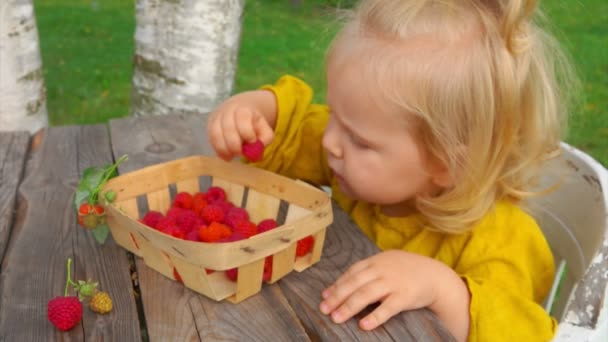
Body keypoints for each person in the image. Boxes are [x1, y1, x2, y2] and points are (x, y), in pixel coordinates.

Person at [207, 0, 578, 340]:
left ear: (448, 164)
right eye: (335, 114)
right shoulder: (361, 164)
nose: (330, 142)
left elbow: (522, 331)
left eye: (360, 140)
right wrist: (256, 112)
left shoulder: (500, 239)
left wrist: (444, 291)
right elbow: (294, 132)